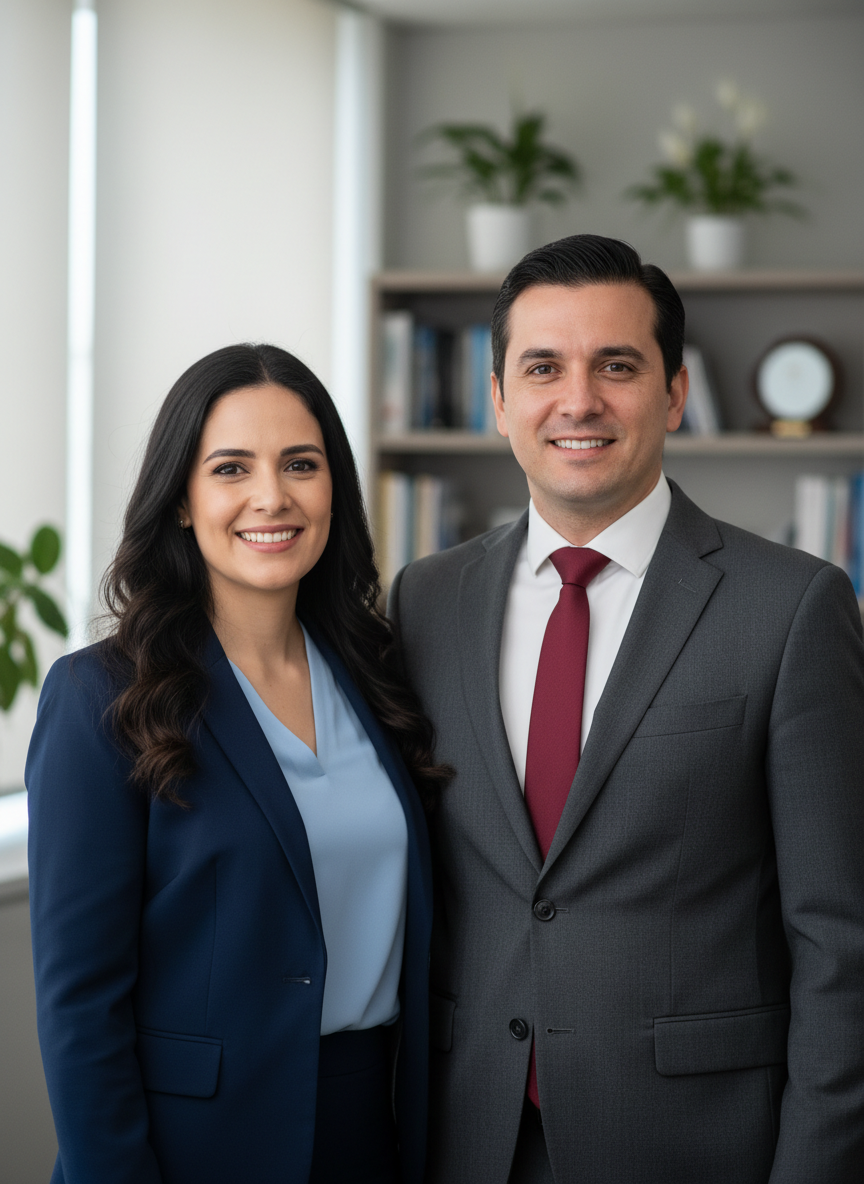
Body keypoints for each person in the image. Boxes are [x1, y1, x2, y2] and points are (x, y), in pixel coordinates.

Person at [388, 235, 864, 1183]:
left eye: (617, 365)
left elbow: (841, 942)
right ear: (498, 401)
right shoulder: (422, 601)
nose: (578, 400)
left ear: (674, 393)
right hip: (466, 1134)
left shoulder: (794, 606)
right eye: (542, 368)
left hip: (697, 1142)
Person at [27, 343, 444, 1184]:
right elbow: (80, 1005)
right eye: (230, 468)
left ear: (335, 490)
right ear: (180, 500)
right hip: (193, 1146)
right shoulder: (99, 697)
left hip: (374, 1125)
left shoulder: (381, 673)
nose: (272, 497)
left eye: (301, 464)